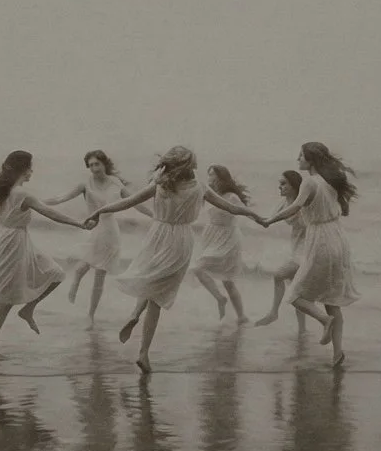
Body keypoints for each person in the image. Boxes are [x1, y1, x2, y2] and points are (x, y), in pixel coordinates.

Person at [83, 146, 263, 372]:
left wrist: (98, 212)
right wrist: (258, 217)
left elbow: (127, 203)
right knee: (158, 295)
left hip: (156, 235)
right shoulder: (200, 186)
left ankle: (134, 314)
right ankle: (144, 352)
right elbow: (232, 208)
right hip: (180, 239)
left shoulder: (161, 184)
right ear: (191, 166)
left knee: (150, 280)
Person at [0, 150, 88, 362]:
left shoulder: (0, 192)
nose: (31, 172)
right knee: (6, 296)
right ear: (22, 169)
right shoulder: (21, 194)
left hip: (16, 240)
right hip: (14, 243)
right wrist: (79, 223)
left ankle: (28, 309)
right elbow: (50, 213)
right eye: (29, 168)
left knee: (55, 273)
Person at [258, 142, 359, 367]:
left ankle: (324, 320)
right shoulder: (330, 182)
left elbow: (295, 207)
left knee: (294, 295)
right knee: (332, 299)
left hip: (320, 239)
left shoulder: (309, 182)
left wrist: (269, 220)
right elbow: (344, 210)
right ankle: (337, 354)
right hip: (338, 238)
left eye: (301, 156)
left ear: (310, 160)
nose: (298, 159)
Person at [43, 150, 143, 325]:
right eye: (90, 165)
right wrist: (37, 203)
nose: (94, 168)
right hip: (93, 229)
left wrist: (155, 215)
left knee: (99, 276)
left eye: (97, 164)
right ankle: (75, 283)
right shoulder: (85, 184)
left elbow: (135, 201)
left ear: (104, 164)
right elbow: (61, 198)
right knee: (84, 265)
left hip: (111, 232)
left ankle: (90, 315)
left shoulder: (115, 183)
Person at [191, 164, 252, 323]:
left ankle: (240, 315)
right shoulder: (209, 194)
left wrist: (262, 221)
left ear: (221, 177)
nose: (209, 178)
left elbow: (245, 212)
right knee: (199, 269)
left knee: (226, 280)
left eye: (212, 175)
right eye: (209, 174)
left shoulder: (231, 196)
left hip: (228, 237)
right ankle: (224, 302)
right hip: (211, 235)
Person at [252, 169, 307, 333]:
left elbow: (277, 218)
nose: (279, 187)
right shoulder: (284, 204)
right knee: (298, 292)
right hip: (297, 247)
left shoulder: (301, 202)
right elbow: (267, 220)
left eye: (283, 184)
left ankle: (274, 312)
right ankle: (302, 331)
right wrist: (243, 212)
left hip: (308, 249)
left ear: (294, 186)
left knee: (278, 275)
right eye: (279, 184)